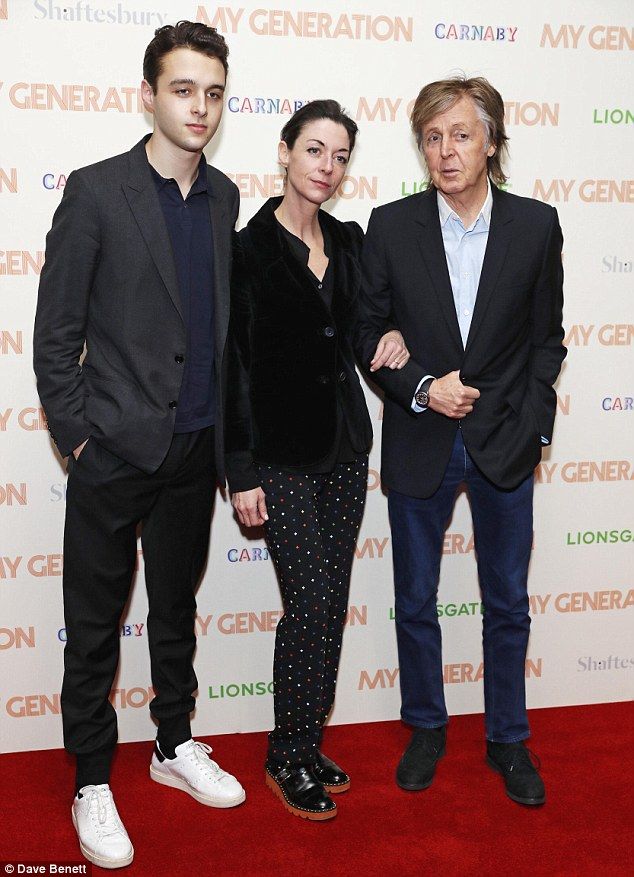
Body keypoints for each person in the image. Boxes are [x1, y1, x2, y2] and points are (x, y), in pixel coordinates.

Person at [33, 21, 245, 869]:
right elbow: (56, 338)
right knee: (93, 624)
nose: (201, 106)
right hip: (113, 449)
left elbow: (220, 331)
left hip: (195, 450)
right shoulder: (96, 191)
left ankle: (173, 743)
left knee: (176, 610)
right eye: (185, 89)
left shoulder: (226, 196)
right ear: (149, 94)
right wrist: (80, 440)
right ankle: (92, 775)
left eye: (215, 92)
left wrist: (229, 446)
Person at [355, 76, 566, 807]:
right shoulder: (389, 225)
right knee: (415, 597)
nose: (446, 151)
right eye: (433, 137)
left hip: (506, 439)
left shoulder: (537, 225)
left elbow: (547, 341)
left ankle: (508, 736)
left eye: (462, 135)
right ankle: (426, 726)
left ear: (492, 141)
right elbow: (367, 332)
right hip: (420, 435)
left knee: (506, 600)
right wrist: (420, 385)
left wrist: (537, 423)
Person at [225, 100, 409, 821]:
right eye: (314, 151)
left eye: (338, 157)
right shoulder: (246, 250)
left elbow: (365, 324)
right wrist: (239, 468)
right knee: (307, 603)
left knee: (328, 605)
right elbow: (232, 367)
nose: (326, 168)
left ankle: (305, 741)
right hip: (280, 456)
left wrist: (390, 331)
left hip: (344, 447)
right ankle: (285, 752)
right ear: (284, 152)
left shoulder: (349, 239)